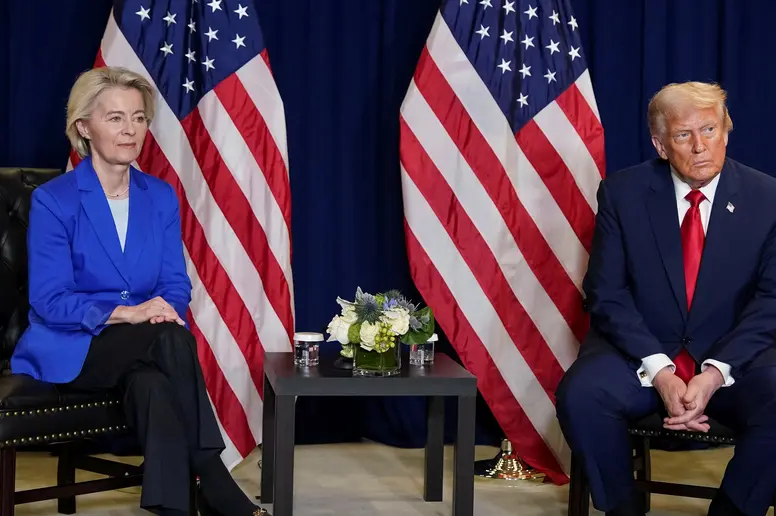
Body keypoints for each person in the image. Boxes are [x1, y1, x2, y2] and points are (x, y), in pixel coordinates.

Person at [9, 67, 267, 516]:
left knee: (152, 384)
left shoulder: (161, 196)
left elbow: (174, 284)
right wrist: (129, 314)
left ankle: (173, 507)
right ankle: (212, 475)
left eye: (139, 118)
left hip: (145, 345)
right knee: (167, 339)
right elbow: (49, 300)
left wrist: (164, 309)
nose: (130, 129)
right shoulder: (55, 200)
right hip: (73, 345)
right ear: (84, 127)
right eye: (114, 118)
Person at [556, 81, 776, 516]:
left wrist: (713, 373)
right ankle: (623, 509)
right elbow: (606, 293)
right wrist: (660, 369)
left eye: (710, 130)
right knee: (582, 394)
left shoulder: (768, 199)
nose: (700, 146)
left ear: (726, 132)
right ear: (660, 144)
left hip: (734, 359)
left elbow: (771, 301)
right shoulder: (623, 193)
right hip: (639, 355)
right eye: (683, 135)